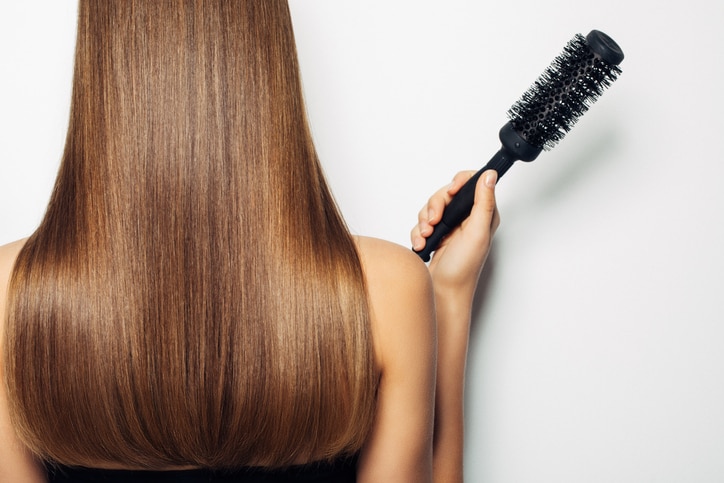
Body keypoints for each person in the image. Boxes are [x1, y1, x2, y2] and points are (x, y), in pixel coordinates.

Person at [0, 1, 499, 482]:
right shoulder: (384, 291)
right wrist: (446, 296)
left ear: (101, 58)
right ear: (266, 54)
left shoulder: (12, 295)